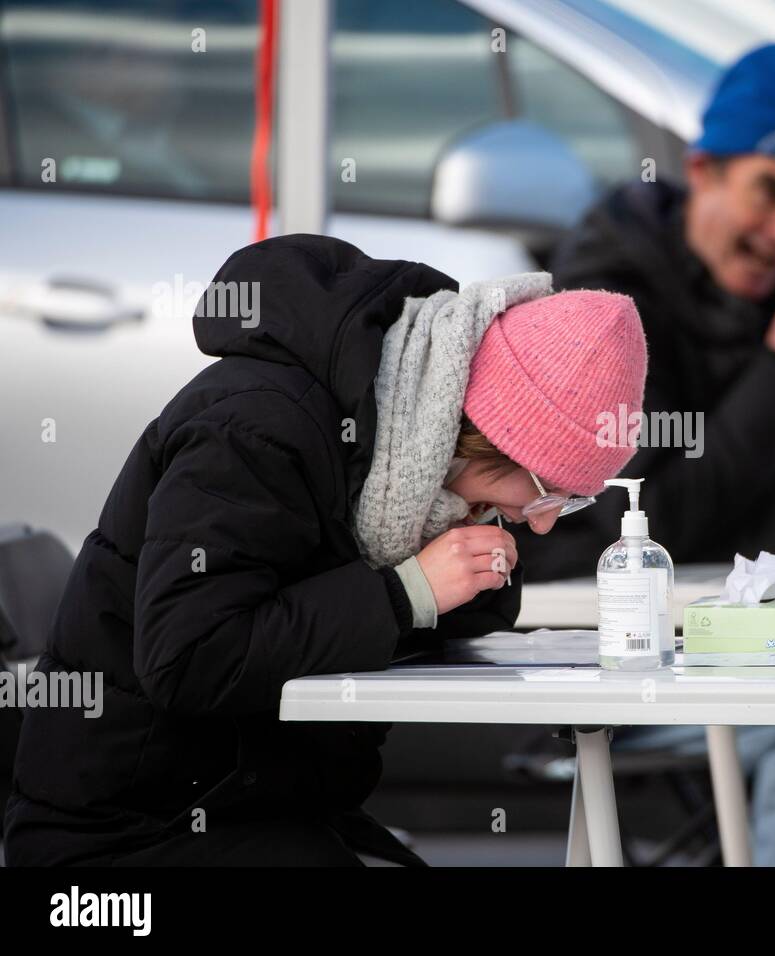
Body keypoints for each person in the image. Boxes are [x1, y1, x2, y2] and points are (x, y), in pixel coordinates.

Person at [3, 234, 647, 866]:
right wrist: (406, 592)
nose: (541, 527)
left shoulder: (406, 457)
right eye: (544, 492)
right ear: (483, 435)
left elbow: (446, 626)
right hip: (121, 843)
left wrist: (454, 579)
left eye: (569, 503)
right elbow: (190, 656)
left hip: (261, 807)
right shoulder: (252, 430)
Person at [517, 44, 775, 865]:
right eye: (770, 193)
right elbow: (649, 519)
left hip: (721, 636)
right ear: (703, 169)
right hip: (599, 645)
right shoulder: (606, 303)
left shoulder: (742, 292)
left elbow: (743, 487)